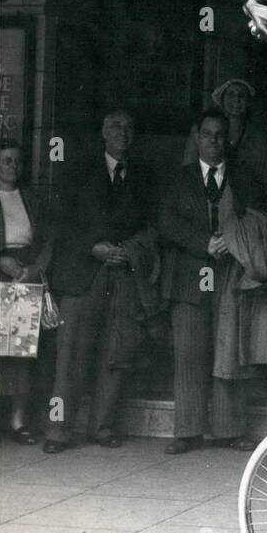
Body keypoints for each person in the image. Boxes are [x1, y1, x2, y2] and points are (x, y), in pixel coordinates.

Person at [43, 110, 160, 453]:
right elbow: (59, 223)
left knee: (116, 352)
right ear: (103, 133)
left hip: (124, 274)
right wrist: (93, 247)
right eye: (115, 127)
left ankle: (103, 426)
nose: (122, 133)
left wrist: (131, 249)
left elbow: (152, 225)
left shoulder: (145, 176)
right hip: (83, 274)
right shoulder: (77, 170)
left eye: (128, 127)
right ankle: (58, 430)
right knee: (70, 357)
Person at [160, 107, 267, 454]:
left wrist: (234, 237)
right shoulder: (179, 179)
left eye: (220, 135)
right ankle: (188, 430)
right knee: (189, 353)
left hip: (230, 278)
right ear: (196, 137)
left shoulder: (244, 177)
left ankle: (230, 429)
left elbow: (263, 219)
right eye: (207, 134)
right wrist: (203, 242)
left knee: (229, 352)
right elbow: (166, 223)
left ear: (228, 139)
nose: (213, 141)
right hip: (190, 277)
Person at [0, 136, 52, 443]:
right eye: (6, 160)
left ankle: (18, 421)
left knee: (20, 352)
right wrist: (1, 259)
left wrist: (34, 269)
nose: (12, 166)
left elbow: (45, 239)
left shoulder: (30, 197)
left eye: (17, 161)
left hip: (24, 277)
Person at [182, 78, 267, 196]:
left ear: (248, 102)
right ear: (222, 100)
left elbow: (262, 179)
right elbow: (188, 170)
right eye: (231, 95)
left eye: (241, 96)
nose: (236, 100)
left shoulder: (257, 138)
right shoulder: (200, 130)